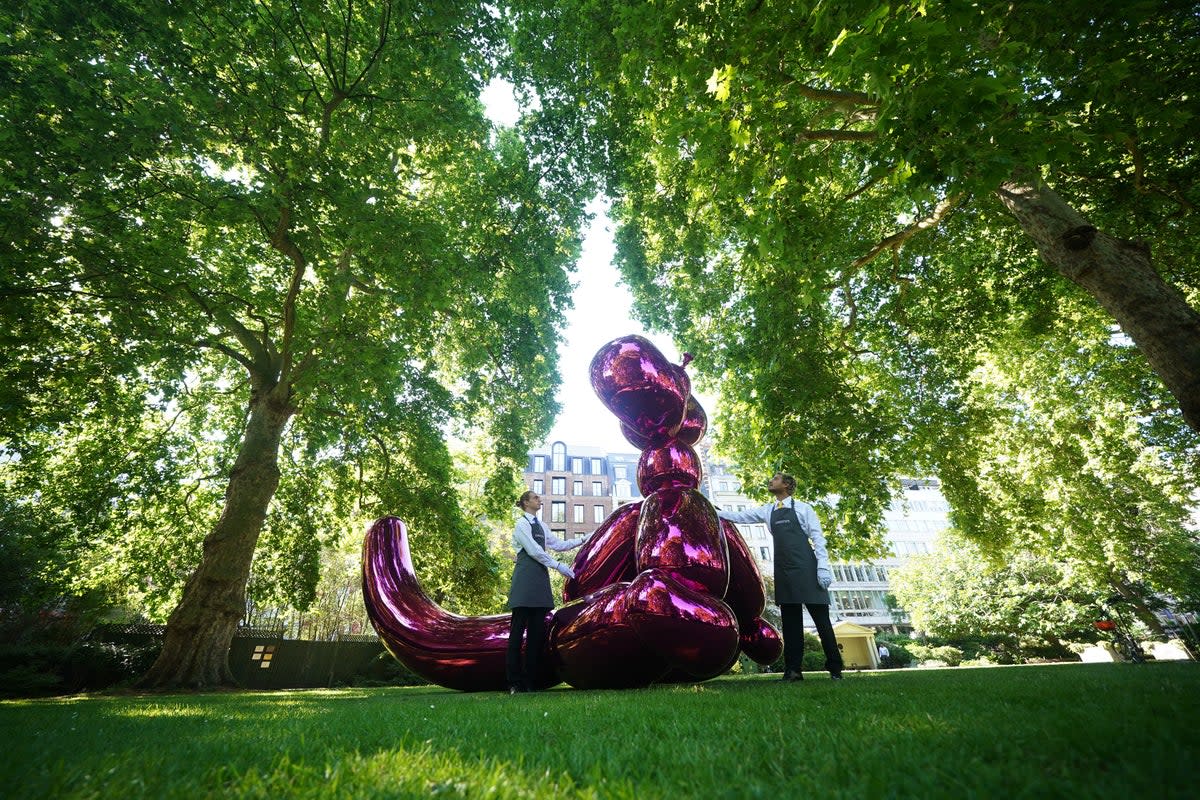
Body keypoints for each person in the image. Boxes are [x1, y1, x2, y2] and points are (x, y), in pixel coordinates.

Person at [718, 472, 844, 682]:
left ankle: (835, 669)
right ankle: (793, 671)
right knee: (791, 624)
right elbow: (741, 517)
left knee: (822, 622)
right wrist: (715, 511)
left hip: (809, 570)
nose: (770, 481)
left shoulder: (804, 508)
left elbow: (818, 538)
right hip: (784, 571)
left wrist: (823, 568)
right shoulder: (768, 510)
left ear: (787, 484)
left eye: (775, 479)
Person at [506, 490, 583, 694]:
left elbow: (559, 545)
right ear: (525, 503)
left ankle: (530, 682)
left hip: (539, 581)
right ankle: (515, 682)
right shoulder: (521, 524)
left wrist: (583, 539)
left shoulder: (542, 526)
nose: (540, 500)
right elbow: (534, 551)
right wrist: (559, 567)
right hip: (524, 581)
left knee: (536, 636)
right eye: (535, 498)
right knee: (516, 634)